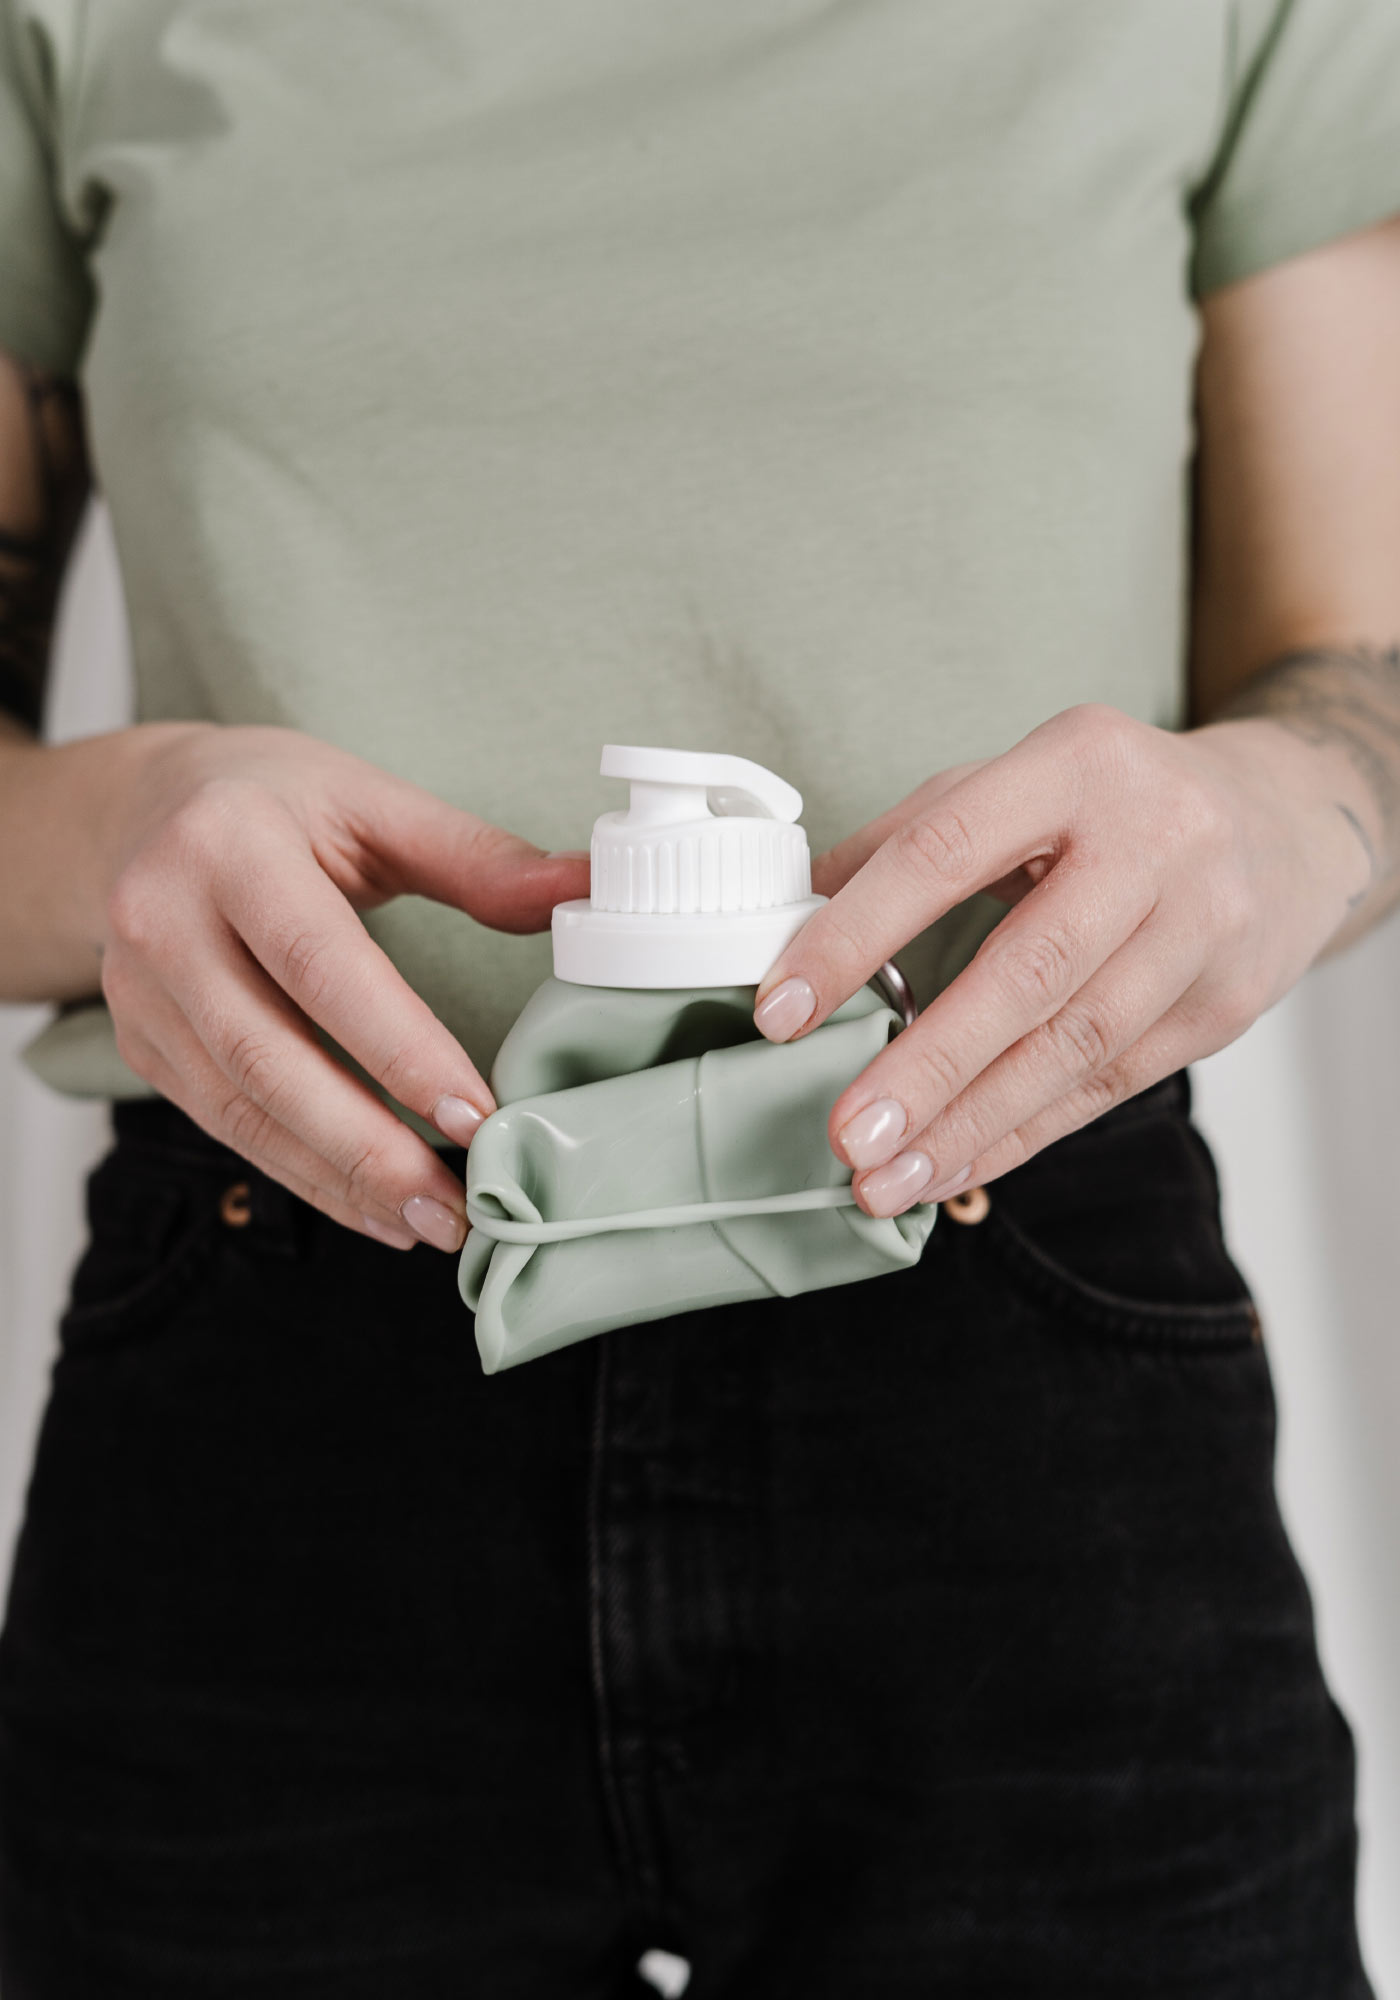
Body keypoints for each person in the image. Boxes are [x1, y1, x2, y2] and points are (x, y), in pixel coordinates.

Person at [1, 2, 1398, 1992]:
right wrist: (118, 831)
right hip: (284, 1346)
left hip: (1006, 1315)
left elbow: (1359, 664)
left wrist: (1267, 814)